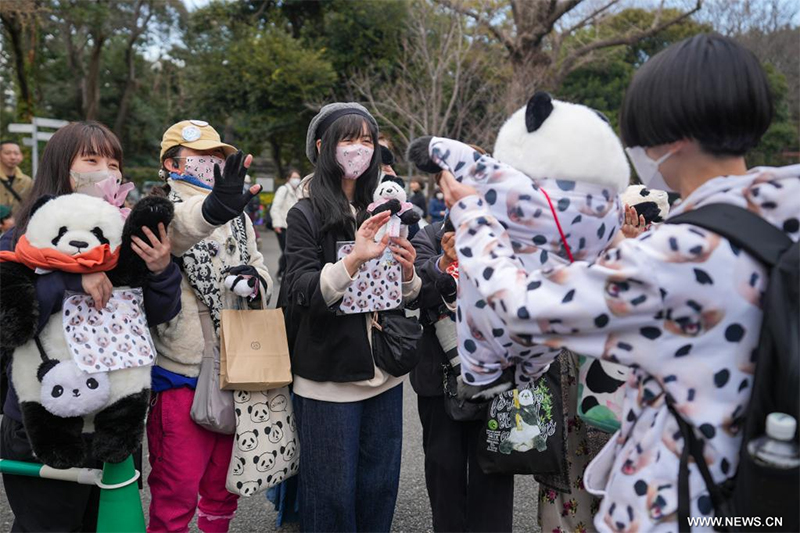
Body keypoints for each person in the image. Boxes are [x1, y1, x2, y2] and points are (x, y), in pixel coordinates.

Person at [438, 34, 796, 531]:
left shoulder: (676, 255)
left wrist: (472, 216)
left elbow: (523, 307)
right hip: (774, 476)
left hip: (685, 498)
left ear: (672, 136)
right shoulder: (787, 209)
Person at [0, 121, 181, 532]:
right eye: (92, 159)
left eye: (114, 162)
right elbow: (9, 318)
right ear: (64, 167)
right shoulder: (20, 240)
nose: (107, 171)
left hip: (113, 421)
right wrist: (68, 279)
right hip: (41, 422)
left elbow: (157, 314)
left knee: (105, 524)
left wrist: (161, 269)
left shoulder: (122, 236)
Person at [281, 102, 421, 532]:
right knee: (330, 498)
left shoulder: (387, 210)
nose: (360, 150)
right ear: (323, 147)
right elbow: (298, 290)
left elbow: (402, 295)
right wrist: (353, 260)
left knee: (379, 490)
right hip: (328, 381)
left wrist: (409, 273)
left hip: (385, 373)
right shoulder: (304, 213)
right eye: (348, 140)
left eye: (367, 141)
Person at [146, 120, 272, 533]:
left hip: (238, 363)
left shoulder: (239, 218)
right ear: (171, 163)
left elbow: (260, 264)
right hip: (182, 370)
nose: (213, 163)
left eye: (218, 157)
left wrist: (257, 283)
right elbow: (182, 229)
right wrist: (216, 206)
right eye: (201, 158)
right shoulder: (159, 209)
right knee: (176, 485)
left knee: (223, 484)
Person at [410, 216, 515, 532]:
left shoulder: (506, 233)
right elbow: (414, 293)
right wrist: (443, 263)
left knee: (494, 474)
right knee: (444, 474)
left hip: (497, 373)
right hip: (439, 378)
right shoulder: (429, 235)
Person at [271, 168, 302, 278]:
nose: (296, 180)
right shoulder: (283, 189)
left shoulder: (298, 191)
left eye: (298, 178)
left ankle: (285, 272)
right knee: (286, 250)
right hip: (282, 226)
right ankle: (281, 272)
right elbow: (275, 207)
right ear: (288, 178)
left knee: (290, 250)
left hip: (293, 227)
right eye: (294, 177)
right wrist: (276, 224)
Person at [0, 140, 33, 215]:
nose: (13, 157)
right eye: (7, 153)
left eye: (16, 153)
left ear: (21, 156)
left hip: (18, 225)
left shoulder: (27, 182)